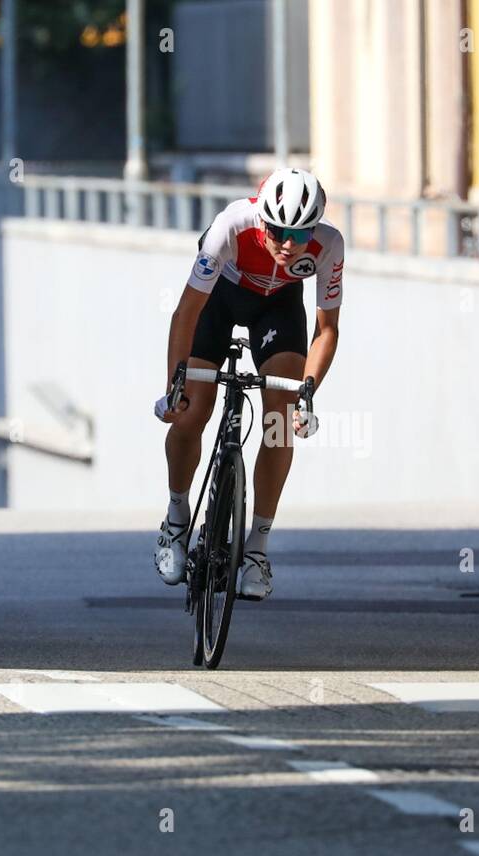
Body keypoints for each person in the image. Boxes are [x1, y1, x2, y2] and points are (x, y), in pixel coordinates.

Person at [153, 168, 345, 600]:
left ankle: (257, 547)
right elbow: (185, 312)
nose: (288, 243)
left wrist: (307, 391)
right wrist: (175, 384)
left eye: (300, 233)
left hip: (277, 309)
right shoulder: (231, 227)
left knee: (278, 421)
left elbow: (327, 329)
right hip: (220, 298)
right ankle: (177, 517)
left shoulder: (329, 245)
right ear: (262, 219)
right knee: (192, 410)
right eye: (277, 230)